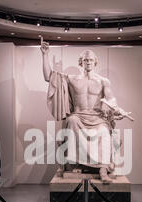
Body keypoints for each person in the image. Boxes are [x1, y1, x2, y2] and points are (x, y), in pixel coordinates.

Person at [41, 42, 130, 183]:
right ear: (80, 62)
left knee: (104, 130)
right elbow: (49, 77)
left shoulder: (103, 81)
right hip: (78, 115)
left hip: (97, 117)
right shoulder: (71, 79)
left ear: (95, 62)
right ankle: (76, 164)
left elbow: (111, 99)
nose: (88, 62)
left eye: (91, 60)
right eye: (85, 60)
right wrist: (45, 54)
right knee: (71, 121)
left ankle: (102, 169)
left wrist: (118, 110)